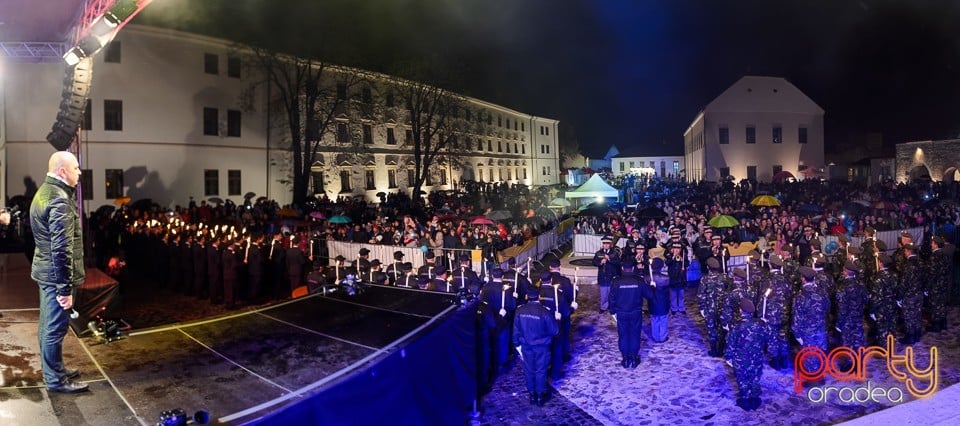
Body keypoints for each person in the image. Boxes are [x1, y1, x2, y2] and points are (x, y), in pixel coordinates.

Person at [30, 151, 87, 393]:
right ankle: (55, 380)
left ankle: (54, 371)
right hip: (56, 277)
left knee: (47, 326)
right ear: (63, 171)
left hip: (47, 272)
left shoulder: (46, 191)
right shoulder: (59, 199)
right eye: (76, 168)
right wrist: (65, 289)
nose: (79, 172)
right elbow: (62, 248)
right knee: (54, 329)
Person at [513, 285, 558, 407]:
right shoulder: (545, 311)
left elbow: (516, 330)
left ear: (527, 296)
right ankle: (540, 396)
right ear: (539, 296)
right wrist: (557, 319)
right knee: (541, 370)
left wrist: (517, 344)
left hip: (526, 345)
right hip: (542, 347)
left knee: (529, 370)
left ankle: (531, 394)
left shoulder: (520, 311)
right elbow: (555, 331)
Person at [725, 297, 770, 411]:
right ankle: (755, 399)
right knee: (755, 377)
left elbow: (731, 343)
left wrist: (728, 357)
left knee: (742, 379)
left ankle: (745, 400)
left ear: (741, 311)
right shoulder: (761, 324)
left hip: (741, 359)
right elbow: (767, 338)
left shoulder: (737, 326)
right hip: (757, 357)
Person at [611, 261, 644, 368]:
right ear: (633, 269)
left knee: (623, 335)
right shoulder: (639, 280)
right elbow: (649, 295)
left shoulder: (616, 281)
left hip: (622, 312)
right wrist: (652, 287)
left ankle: (625, 359)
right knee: (635, 334)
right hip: (635, 312)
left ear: (622, 268)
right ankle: (634, 358)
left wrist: (612, 311)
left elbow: (611, 298)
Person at [592, 236, 620, 313]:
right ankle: (603, 307)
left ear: (610, 244)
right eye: (604, 244)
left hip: (611, 276)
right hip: (603, 276)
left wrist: (609, 259)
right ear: (603, 244)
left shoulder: (614, 253)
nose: (606, 245)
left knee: (612, 293)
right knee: (603, 293)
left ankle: (612, 307)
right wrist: (600, 262)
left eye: (608, 244)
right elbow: (594, 262)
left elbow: (618, 263)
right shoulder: (599, 253)